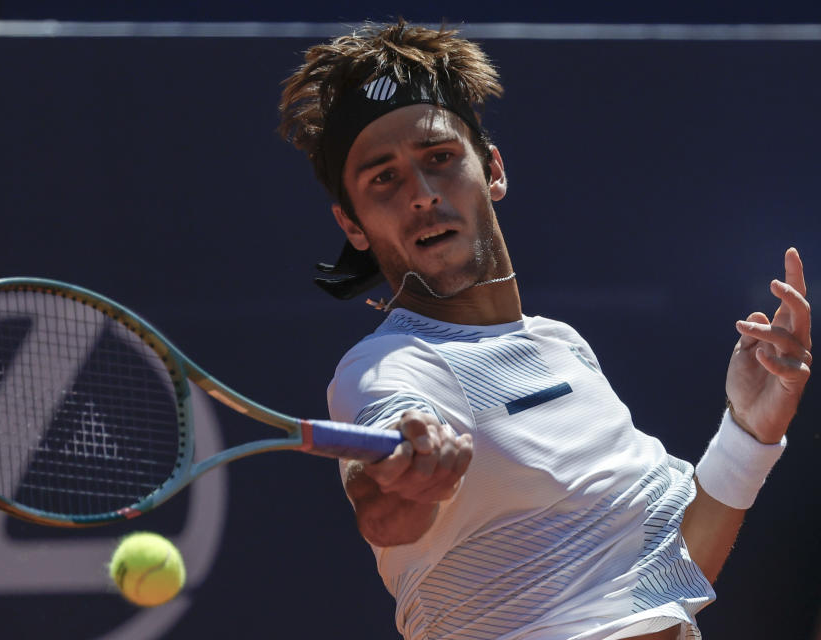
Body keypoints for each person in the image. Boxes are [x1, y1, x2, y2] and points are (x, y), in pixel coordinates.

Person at [278, 21, 812, 640]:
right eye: (384, 178)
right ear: (354, 226)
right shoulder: (390, 365)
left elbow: (668, 577)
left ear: (493, 169)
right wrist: (406, 475)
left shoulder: (562, 347)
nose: (421, 194)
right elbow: (382, 500)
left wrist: (750, 429)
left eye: (440, 158)